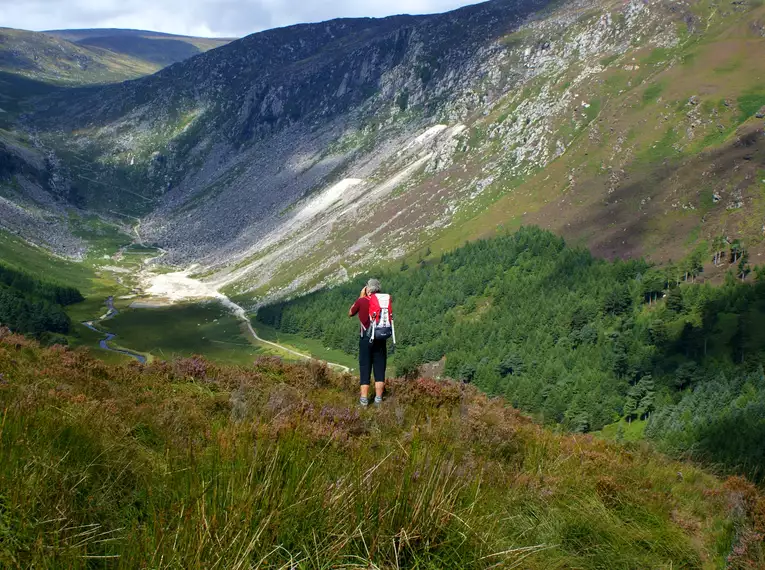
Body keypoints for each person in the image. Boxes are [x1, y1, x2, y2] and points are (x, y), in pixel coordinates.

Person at [348, 278, 391, 407]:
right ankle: (378, 400)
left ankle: (364, 400)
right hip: (380, 338)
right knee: (379, 369)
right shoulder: (383, 302)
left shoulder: (362, 301)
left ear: (367, 289)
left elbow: (350, 313)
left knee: (365, 367)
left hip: (366, 339)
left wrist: (361, 296)